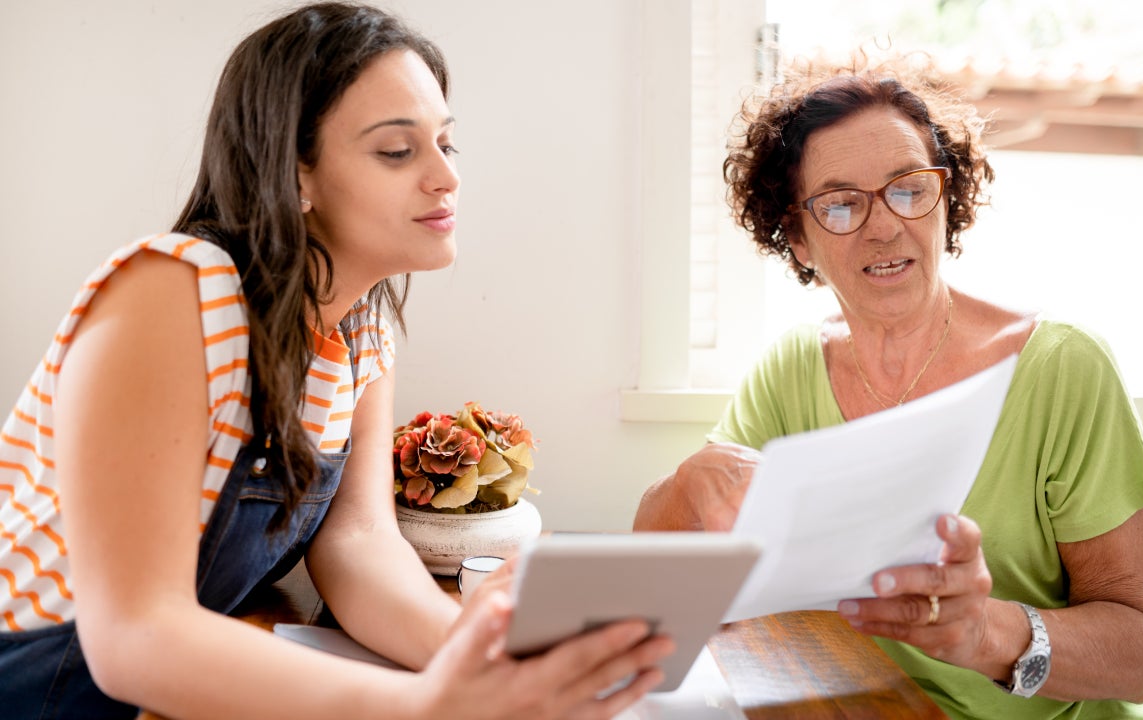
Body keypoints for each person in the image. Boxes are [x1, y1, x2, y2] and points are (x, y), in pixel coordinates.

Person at [0, 3, 672, 718]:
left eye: (447, 143)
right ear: (297, 175)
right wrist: (425, 706)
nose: (446, 177)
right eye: (397, 150)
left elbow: (356, 541)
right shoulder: (175, 289)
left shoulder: (361, 323)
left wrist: (490, 664)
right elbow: (134, 633)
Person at [633, 55, 1143, 719]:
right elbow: (658, 550)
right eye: (842, 203)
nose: (885, 225)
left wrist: (986, 633)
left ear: (947, 200)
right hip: (884, 704)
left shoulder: (1062, 368)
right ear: (797, 238)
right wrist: (686, 485)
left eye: (909, 188)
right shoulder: (793, 367)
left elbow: (1140, 653)